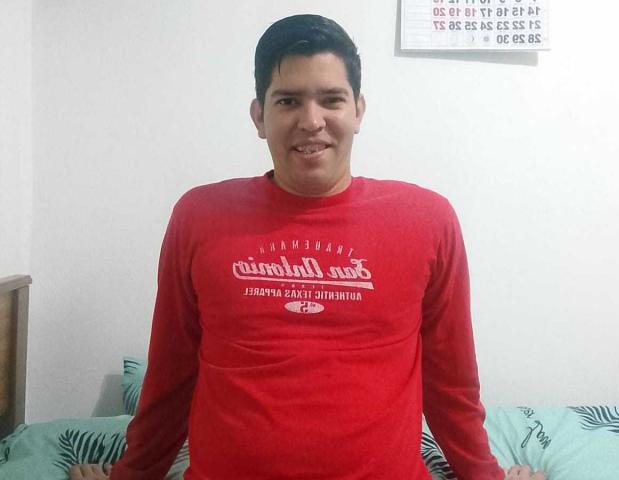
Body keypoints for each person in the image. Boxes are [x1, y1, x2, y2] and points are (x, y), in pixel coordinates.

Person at [70, 14, 545, 480]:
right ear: (259, 116)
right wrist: (131, 475)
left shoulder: (428, 221)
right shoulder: (199, 217)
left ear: (358, 111)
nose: (311, 121)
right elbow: (171, 377)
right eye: (288, 101)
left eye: (331, 99)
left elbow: (451, 386)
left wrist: (485, 476)